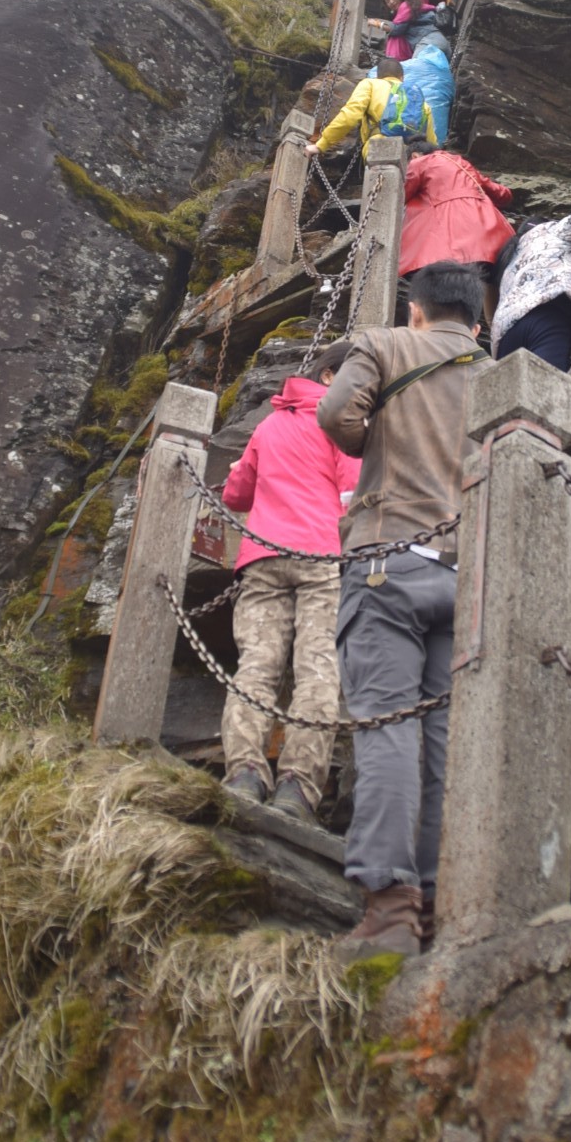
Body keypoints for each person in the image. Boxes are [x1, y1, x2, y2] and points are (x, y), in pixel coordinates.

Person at [318, 261, 486, 956]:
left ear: (416, 310)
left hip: (388, 556)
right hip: (462, 573)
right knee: (441, 735)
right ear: (477, 323)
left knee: (385, 724)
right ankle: (438, 896)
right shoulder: (495, 372)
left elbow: (336, 415)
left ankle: (388, 907)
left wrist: (369, 444)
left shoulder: (386, 345)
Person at [220, 340, 361, 819]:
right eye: (354, 378)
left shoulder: (269, 423)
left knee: (256, 666)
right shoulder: (340, 424)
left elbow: (236, 493)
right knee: (317, 671)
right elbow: (353, 496)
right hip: (321, 557)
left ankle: (242, 774)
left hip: (262, 557)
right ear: (329, 377)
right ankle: (297, 789)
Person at [490, 200, 571, 373]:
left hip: (504, 332)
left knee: (512, 394)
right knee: (548, 390)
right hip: (547, 318)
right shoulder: (552, 231)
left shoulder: (511, 257)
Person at [399, 142, 513, 282]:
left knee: (439, 278)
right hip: (481, 232)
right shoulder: (461, 163)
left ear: (414, 155)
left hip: (446, 234)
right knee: (486, 278)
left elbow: (401, 194)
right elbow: (501, 193)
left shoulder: (419, 162)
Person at [307, 59, 437, 161]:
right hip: (415, 156)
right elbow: (431, 142)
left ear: (378, 76)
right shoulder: (420, 101)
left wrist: (321, 145)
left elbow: (349, 116)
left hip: (380, 148)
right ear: (402, 77)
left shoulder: (370, 84)